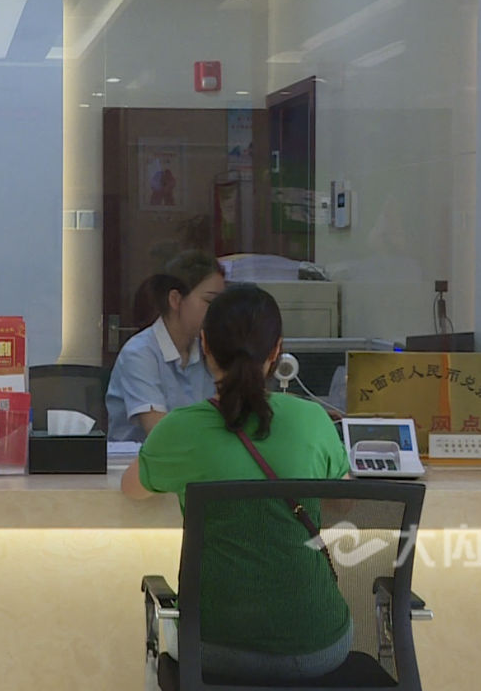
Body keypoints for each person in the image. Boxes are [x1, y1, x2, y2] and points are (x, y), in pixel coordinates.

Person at [121, 285, 351, 683]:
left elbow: (132, 488)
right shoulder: (314, 421)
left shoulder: (180, 429)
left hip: (214, 649)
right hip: (319, 649)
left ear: (205, 345)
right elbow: (344, 504)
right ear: (277, 351)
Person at [105, 251, 226, 442]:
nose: (219, 311)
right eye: (210, 301)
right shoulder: (139, 353)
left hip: (198, 456)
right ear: (175, 299)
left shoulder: (208, 350)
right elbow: (160, 433)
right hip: (142, 459)